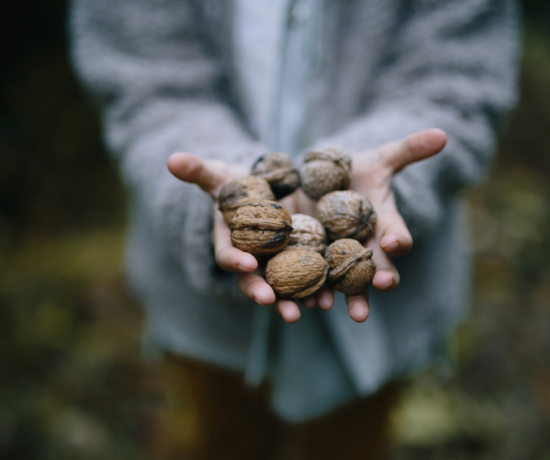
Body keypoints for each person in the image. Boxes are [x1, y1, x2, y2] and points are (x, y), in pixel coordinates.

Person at [70, 0, 519, 458]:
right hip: (203, 310)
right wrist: (223, 179)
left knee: (353, 442)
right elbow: (145, 85)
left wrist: (384, 169)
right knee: (218, 438)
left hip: (391, 320)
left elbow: (458, 82)